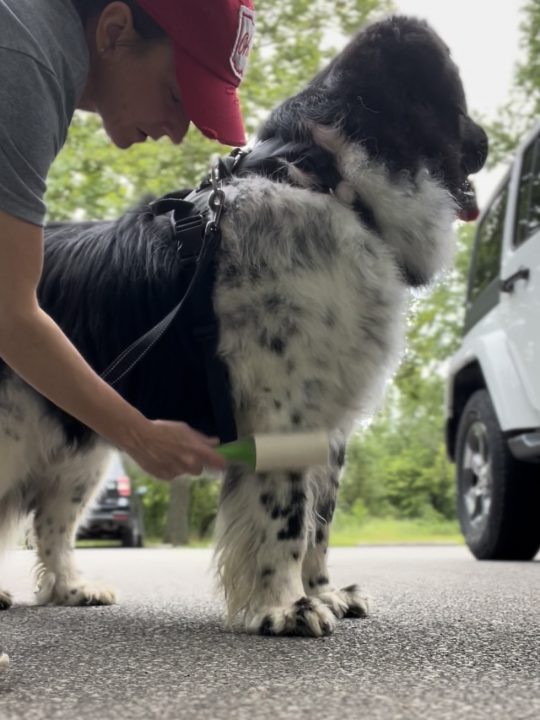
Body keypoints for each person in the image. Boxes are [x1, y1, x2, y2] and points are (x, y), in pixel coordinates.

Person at [0, 0, 256, 480]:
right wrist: (139, 434)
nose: (177, 133)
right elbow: (9, 315)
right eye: (176, 98)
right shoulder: (24, 61)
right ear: (115, 31)